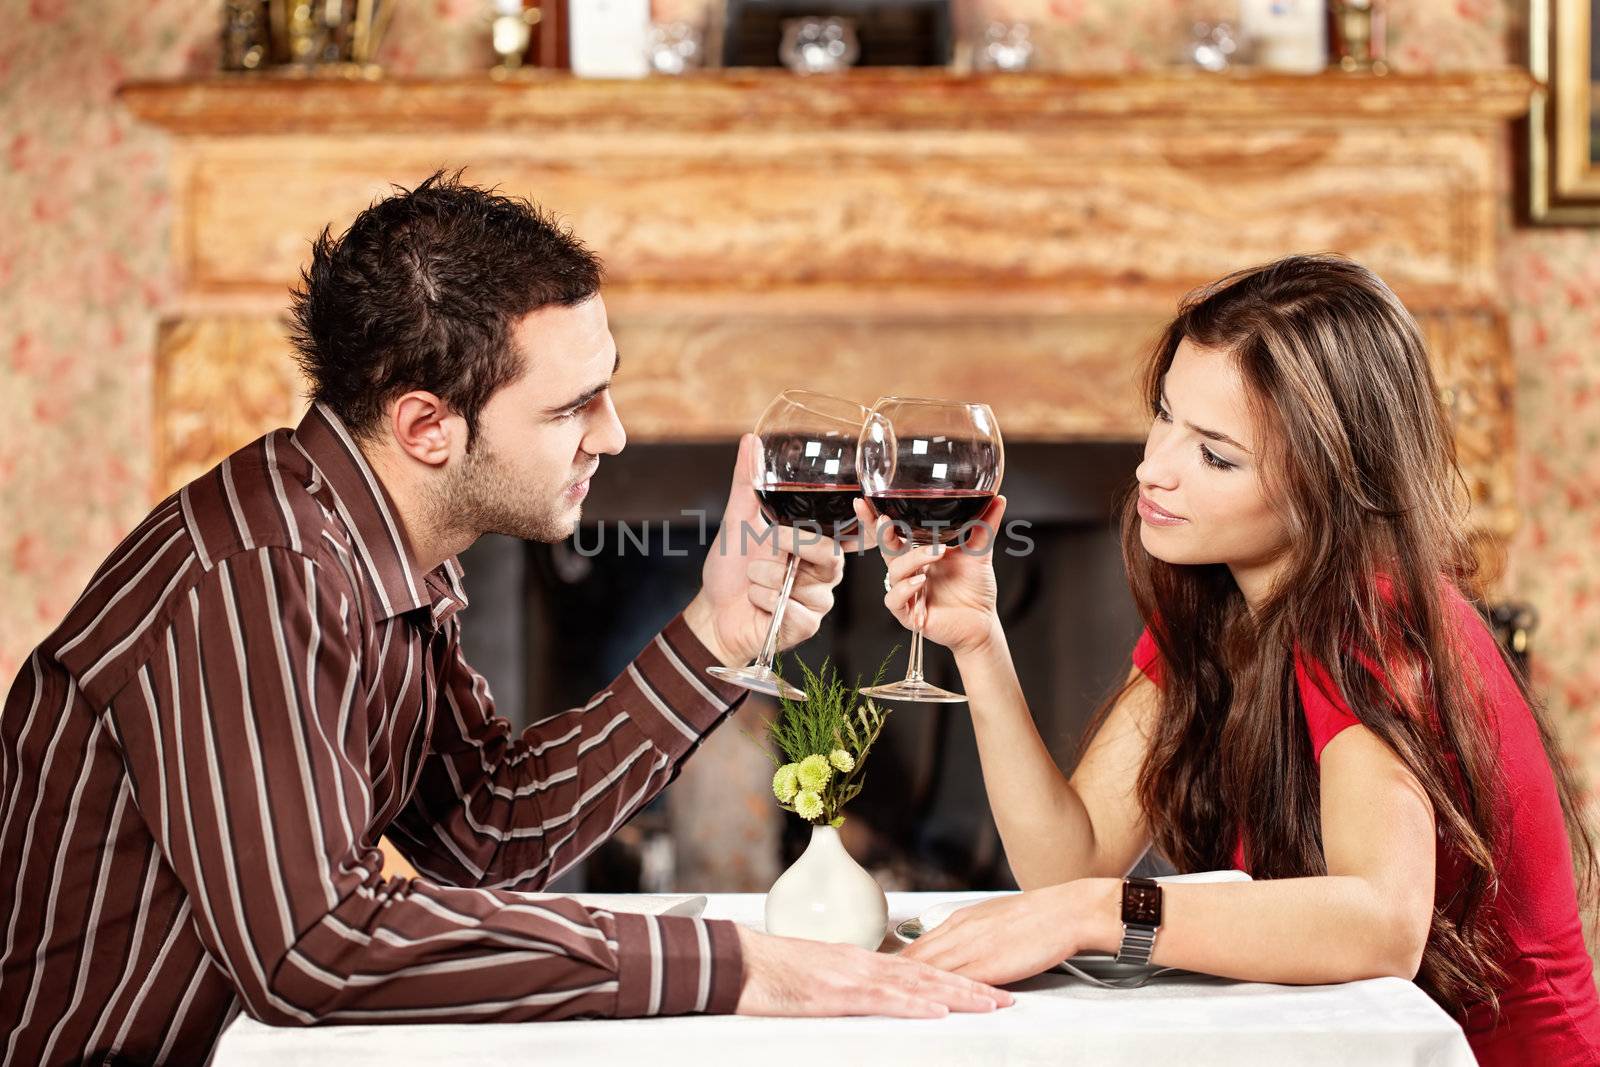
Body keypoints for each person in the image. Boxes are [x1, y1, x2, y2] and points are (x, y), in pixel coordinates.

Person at [0, 172, 1010, 1066]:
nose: (613, 435)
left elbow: (487, 832)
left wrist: (714, 634)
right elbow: (315, 951)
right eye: (575, 406)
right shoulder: (263, 573)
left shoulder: (374, 546)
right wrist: (736, 962)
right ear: (427, 426)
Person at [862, 254, 1600, 1065]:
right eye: (1165, 414)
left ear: (1327, 484)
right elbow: (1068, 861)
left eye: (1215, 455)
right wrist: (979, 640)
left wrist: (1099, 913)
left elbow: (1382, 922)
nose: (1154, 467)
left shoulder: (1370, 616)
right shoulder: (1220, 600)